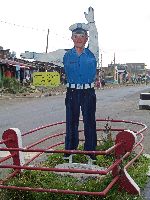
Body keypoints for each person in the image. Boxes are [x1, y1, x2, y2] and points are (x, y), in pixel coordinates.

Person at [63, 22, 97, 162]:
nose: (78, 39)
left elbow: (95, 36)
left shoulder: (92, 52)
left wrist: (91, 22)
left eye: (81, 36)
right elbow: (47, 57)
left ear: (86, 38)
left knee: (89, 122)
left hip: (88, 92)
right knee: (71, 122)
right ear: (72, 38)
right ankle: (69, 152)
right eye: (76, 36)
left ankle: (90, 153)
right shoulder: (65, 55)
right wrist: (32, 55)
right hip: (72, 93)